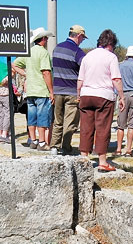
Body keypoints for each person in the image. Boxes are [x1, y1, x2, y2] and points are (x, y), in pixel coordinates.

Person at [77, 29, 125, 172]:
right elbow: (116, 79)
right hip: (103, 95)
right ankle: (102, 161)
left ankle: (84, 159)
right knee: (102, 128)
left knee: (86, 127)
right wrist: (122, 96)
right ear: (111, 44)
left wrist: (78, 94)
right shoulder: (111, 57)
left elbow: (80, 79)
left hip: (86, 94)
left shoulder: (87, 56)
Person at [13, 27, 55, 151]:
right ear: (42, 39)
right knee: (42, 116)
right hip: (41, 89)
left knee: (31, 116)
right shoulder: (43, 53)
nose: (47, 40)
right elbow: (46, 72)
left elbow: (14, 64)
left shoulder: (29, 52)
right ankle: (42, 142)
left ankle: (33, 140)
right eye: (46, 38)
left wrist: (26, 74)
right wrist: (51, 91)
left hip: (30, 90)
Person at [50, 25, 87, 155]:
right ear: (78, 35)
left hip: (58, 89)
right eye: (82, 38)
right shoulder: (78, 52)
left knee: (57, 120)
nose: (82, 40)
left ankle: (54, 146)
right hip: (72, 91)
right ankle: (66, 146)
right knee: (70, 122)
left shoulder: (57, 48)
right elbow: (85, 68)